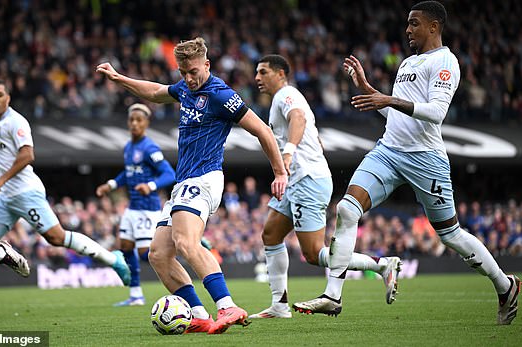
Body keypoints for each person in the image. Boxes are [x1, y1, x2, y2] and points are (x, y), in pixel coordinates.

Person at [294, 1, 520, 325]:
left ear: (433, 26)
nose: (408, 30)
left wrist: (387, 98)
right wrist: (371, 91)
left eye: (414, 23)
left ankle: (505, 285)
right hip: (388, 151)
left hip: (426, 159)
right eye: (407, 24)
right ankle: (332, 296)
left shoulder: (445, 62)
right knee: (346, 209)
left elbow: (436, 113)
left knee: (450, 234)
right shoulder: (407, 63)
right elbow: (396, 113)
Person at [96, 37, 287, 334]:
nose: (189, 79)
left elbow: (262, 130)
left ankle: (227, 306)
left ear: (207, 65)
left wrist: (279, 172)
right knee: (158, 253)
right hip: (183, 182)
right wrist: (120, 78)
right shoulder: (185, 87)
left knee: (186, 242)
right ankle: (198, 314)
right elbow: (157, 92)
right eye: (183, 73)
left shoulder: (221, 94)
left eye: (194, 71)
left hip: (205, 177)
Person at [0, 80, 131, 316]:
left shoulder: (16, 122)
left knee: (56, 237)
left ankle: (113, 259)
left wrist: (0, 181)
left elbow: (28, 155)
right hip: (5, 196)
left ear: (8, 98)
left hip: (26, 192)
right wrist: (0, 185)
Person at [249, 55, 401, 319]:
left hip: (307, 180)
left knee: (313, 253)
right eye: (257, 73)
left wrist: (288, 153)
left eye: (263, 72)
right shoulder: (282, 98)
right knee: (271, 235)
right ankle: (279, 305)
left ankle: (382, 265)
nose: (257, 78)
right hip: (297, 179)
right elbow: (310, 131)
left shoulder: (287, 95)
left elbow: (298, 118)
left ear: (281, 74)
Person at [96, 103, 176, 306]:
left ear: (146, 123)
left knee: (145, 255)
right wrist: (111, 184)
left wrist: (150, 185)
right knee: (125, 247)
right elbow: (128, 173)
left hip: (147, 209)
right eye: (131, 120)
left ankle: (181, 241)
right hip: (132, 208)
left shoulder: (149, 148)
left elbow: (169, 174)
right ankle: (136, 295)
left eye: (139, 120)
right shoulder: (129, 147)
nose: (134, 123)